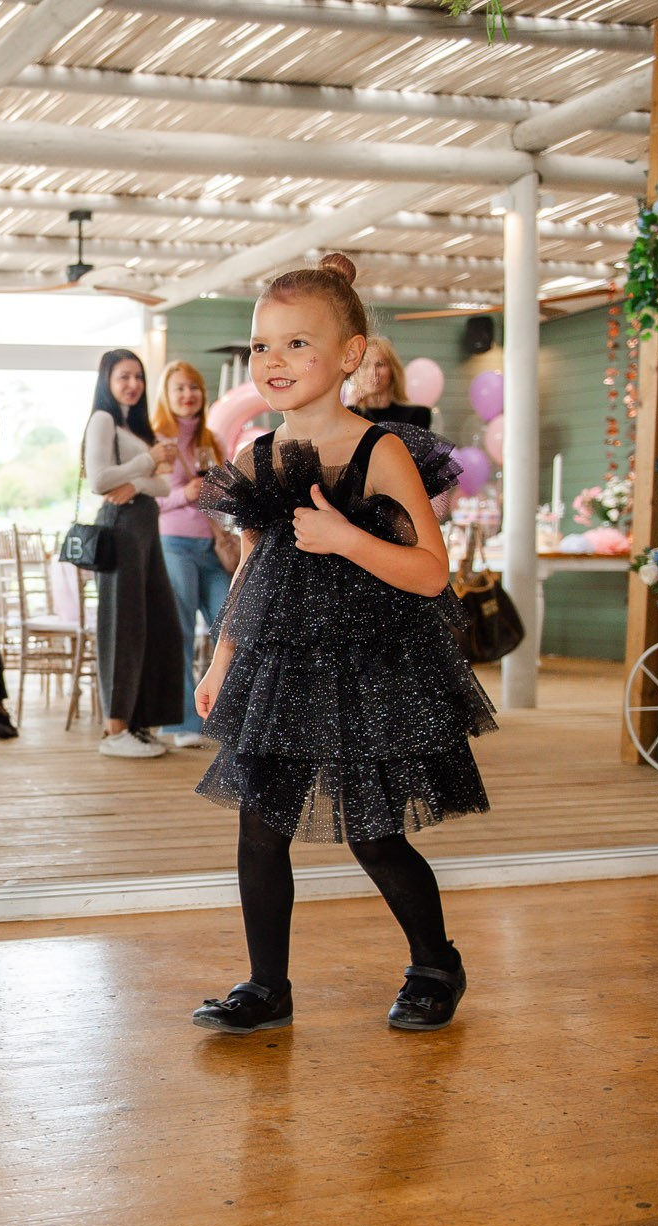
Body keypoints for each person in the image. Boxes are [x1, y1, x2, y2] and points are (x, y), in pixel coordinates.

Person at [190, 253, 496, 1037]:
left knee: (372, 830)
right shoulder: (258, 454)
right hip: (280, 665)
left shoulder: (380, 451)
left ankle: (435, 961)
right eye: (262, 346)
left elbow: (432, 574)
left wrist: (342, 537)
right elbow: (255, 563)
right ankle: (267, 985)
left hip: (370, 667)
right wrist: (222, 658)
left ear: (351, 355)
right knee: (259, 826)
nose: (274, 361)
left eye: (298, 344)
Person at [85, 349, 187, 759]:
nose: (132, 384)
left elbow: (162, 488)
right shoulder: (103, 419)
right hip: (121, 529)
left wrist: (140, 482)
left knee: (158, 624)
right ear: (107, 381)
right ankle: (114, 729)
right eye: (123, 376)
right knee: (121, 628)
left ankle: (141, 721)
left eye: (138, 377)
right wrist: (149, 462)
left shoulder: (135, 425)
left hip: (146, 528)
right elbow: (99, 478)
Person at [151, 360, 232, 749]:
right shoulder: (158, 441)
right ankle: (180, 722)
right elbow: (149, 500)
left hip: (213, 545)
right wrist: (182, 495)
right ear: (167, 397)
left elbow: (227, 494)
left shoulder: (213, 440)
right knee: (180, 632)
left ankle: (228, 717)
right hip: (175, 544)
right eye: (179, 388)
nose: (188, 395)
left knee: (229, 628)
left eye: (194, 387)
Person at [350, 335, 432, 430]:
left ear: (393, 370)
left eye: (380, 364)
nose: (373, 372)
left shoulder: (417, 414)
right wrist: (352, 408)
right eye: (365, 365)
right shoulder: (352, 414)